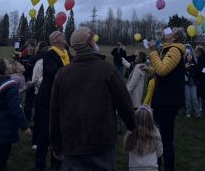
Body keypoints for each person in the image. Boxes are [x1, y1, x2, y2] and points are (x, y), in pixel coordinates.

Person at [50, 27, 136, 169]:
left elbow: (54, 113)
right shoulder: (108, 70)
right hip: (102, 144)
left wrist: (56, 145)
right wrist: (132, 126)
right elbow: (124, 102)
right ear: (90, 43)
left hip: (73, 143)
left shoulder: (62, 74)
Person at [0, 58, 31, 171]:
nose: (10, 65)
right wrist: (25, 126)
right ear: (4, 69)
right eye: (8, 63)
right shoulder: (10, 85)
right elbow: (15, 108)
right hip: (5, 125)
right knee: (2, 160)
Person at [148, 27, 186, 171]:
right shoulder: (168, 49)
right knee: (159, 135)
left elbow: (163, 71)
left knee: (166, 139)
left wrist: (152, 51)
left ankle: (168, 167)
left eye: (171, 31)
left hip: (168, 101)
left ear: (174, 38)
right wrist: (150, 70)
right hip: (163, 99)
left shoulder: (175, 50)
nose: (166, 32)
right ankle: (157, 164)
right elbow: (164, 69)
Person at [35, 31, 70, 171]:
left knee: (59, 134)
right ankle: (40, 165)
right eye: (61, 35)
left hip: (63, 99)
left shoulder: (67, 54)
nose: (64, 36)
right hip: (48, 99)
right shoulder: (49, 55)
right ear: (55, 40)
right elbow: (56, 73)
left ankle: (56, 165)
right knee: (45, 134)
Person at [123, 105, 163, 171]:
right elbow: (160, 152)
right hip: (151, 167)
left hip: (134, 167)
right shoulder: (155, 132)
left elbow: (126, 147)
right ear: (151, 120)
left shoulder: (131, 132)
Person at [184, 52, 202, 118]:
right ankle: (188, 112)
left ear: (192, 57)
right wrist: (185, 68)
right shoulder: (184, 65)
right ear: (186, 57)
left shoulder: (195, 64)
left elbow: (196, 73)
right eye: (188, 56)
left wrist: (190, 68)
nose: (189, 57)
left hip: (194, 84)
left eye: (190, 56)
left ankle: (197, 112)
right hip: (186, 84)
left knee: (194, 98)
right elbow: (182, 73)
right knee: (187, 99)